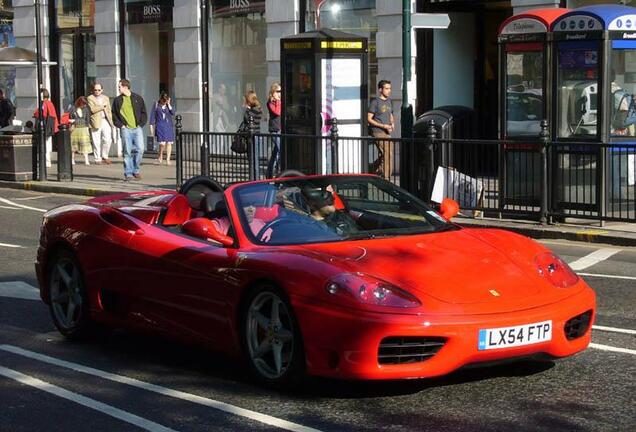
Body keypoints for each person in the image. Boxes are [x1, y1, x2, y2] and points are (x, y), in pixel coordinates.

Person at [112, 79, 147, 181]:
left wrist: (141, 124)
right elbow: (114, 114)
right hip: (125, 129)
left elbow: (143, 112)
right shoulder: (117, 100)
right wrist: (121, 125)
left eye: (120, 87)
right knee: (127, 151)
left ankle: (135, 170)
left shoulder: (137, 98)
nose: (118, 89)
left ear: (125, 87)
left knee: (140, 149)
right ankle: (128, 173)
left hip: (137, 128)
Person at [367, 80, 395, 180]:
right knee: (388, 154)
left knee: (387, 154)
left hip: (387, 131)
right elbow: (369, 118)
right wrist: (383, 126)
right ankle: (386, 178)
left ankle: (372, 168)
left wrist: (392, 124)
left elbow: (391, 114)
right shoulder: (375, 102)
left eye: (390, 88)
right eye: (386, 88)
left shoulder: (389, 101)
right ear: (380, 89)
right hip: (378, 131)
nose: (389, 91)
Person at [87, 82, 114, 164]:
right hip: (95, 121)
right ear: (93, 90)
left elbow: (108, 110)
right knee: (96, 141)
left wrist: (111, 120)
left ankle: (105, 156)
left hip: (105, 120)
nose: (97, 91)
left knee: (107, 139)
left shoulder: (106, 98)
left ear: (102, 90)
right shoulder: (90, 98)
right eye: (95, 90)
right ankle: (97, 158)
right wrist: (102, 106)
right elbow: (92, 109)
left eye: (99, 90)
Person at [32, 89, 59, 168]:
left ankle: (46, 160)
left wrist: (35, 114)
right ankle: (47, 160)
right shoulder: (50, 103)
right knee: (48, 143)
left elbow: (41, 113)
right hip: (50, 125)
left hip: (46, 126)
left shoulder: (44, 103)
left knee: (45, 144)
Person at [149, 92, 175, 165]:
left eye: (165, 100)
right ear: (160, 99)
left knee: (169, 142)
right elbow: (152, 116)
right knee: (162, 144)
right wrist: (151, 126)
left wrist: (169, 104)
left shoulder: (168, 106)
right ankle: (160, 156)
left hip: (168, 126)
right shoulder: (156, 105)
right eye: (163, 100)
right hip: (160, 126)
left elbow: (173, 113)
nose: (164, 102)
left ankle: (168, 159)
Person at [243, 90, 263, 171]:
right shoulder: (258, 109)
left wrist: (247, 109)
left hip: (252, 136)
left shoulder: (252, 110)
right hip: (257, 134)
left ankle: (253, 178)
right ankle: (255, 177)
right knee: (255, 158)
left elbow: (247, 119)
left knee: (252, 159)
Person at [69, 96, 92, 165]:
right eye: (83, 103)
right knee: (73, 145)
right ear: (80, 103)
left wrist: (87, 127)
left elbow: (87, 119)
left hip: (83, 128)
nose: (84, 105)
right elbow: (70, 117)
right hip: (75, 128)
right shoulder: (73, 108)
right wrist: (72, 121)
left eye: (85, 103)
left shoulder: (86, 109)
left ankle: (86, 160)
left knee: (85, 145)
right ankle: (72, 160)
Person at [266, 82, 282, 178]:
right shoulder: (270, 102)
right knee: (281, 150)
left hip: (280, 129)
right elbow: (277, 112)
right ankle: (278, 172)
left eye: (280, 91)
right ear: (273, 92)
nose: (280, 93)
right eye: (278, 91)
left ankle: (269, 173)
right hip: (275, 129)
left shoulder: (280, 101)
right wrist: (277, 101)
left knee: (276, 152)